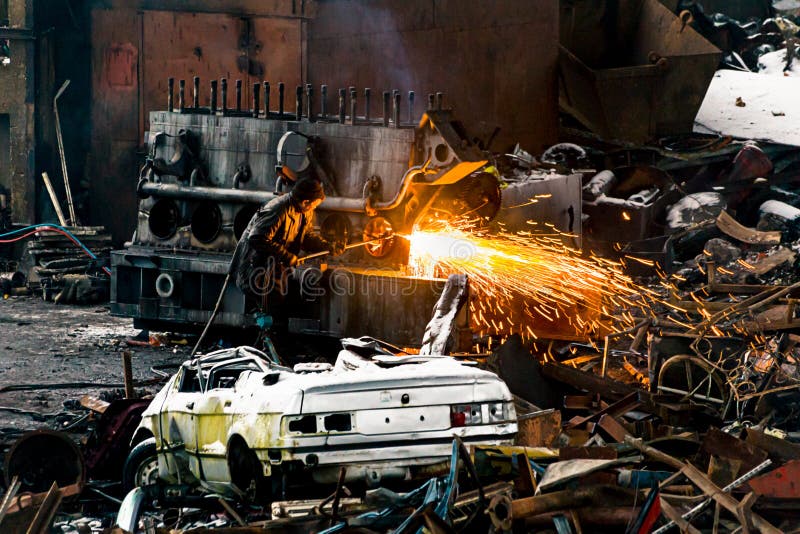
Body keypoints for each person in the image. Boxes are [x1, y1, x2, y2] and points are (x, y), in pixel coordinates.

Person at [233, 177, 344, 300]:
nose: (314, 208)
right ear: (305, 202)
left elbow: (306, 237)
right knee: (268, 303)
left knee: (281, 300)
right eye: (314, 205)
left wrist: (327, 246)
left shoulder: (305, 211)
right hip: (255, 267)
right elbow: (257, 238)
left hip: (276, 266)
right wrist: (286, 256)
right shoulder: (278, 209)